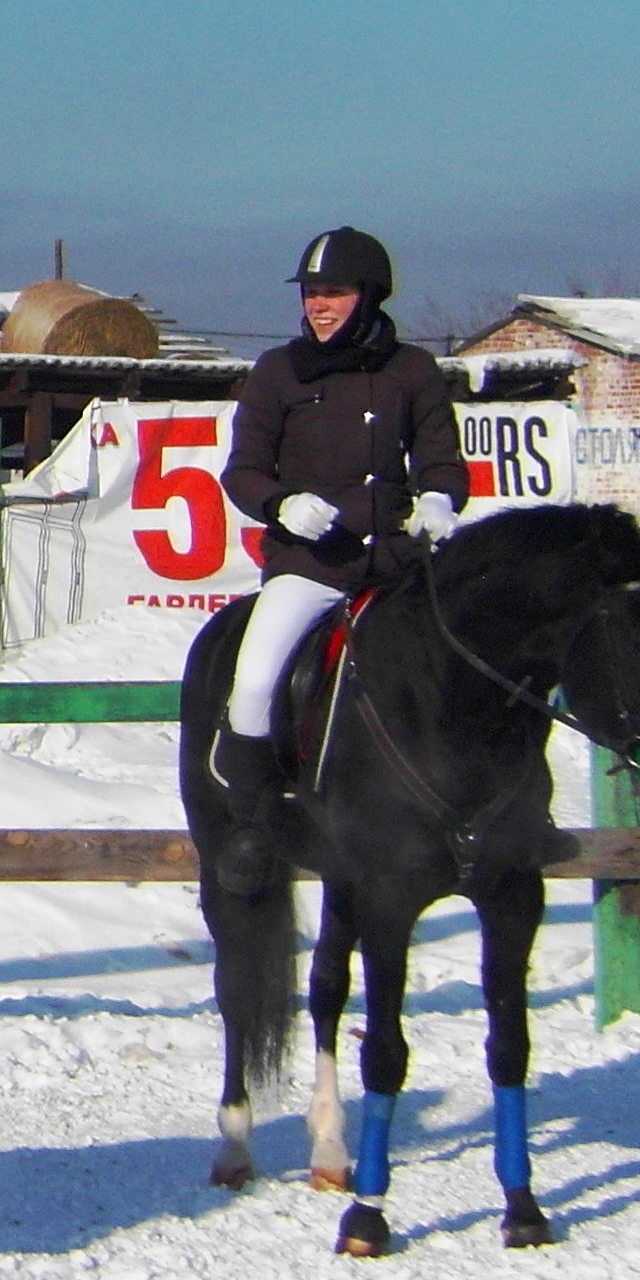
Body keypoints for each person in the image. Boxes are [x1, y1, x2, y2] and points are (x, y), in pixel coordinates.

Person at [213, 226, 470, 894]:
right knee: (255, 681)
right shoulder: (278, 371)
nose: (319, 305)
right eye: (311, 293)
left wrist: (440, 498)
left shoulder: (413, 370)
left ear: (370, 295)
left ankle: (503, 807)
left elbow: (441, 458)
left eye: (334, 293)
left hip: (398, 565)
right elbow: (242, 470)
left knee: (476, 661)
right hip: (312, 565)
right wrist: (281, 503)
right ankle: (249, 821)